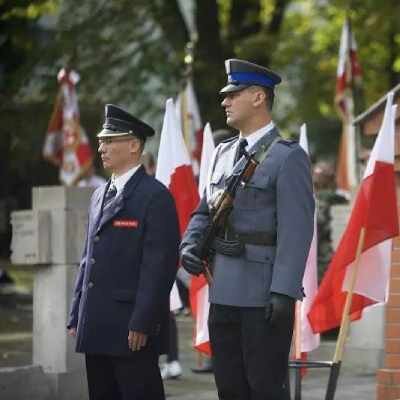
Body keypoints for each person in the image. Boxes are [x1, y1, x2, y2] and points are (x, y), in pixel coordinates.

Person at [180, 59, 315, 400]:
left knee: (265, 388)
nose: (224, 101)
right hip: (222, 289)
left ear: (258, 97)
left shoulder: (288, 157)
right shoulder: (222, 154)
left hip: (262, 295)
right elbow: (203, 210)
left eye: (233, 94)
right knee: (230, 388)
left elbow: (296, 231)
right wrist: (190, 244)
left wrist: (283, 291)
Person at [67, 104, 180, 400]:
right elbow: (88, 257)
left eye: (109, 141)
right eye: (101, 140)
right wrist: (77, 311)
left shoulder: (155, 196)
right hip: (97, 321)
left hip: (131, 327)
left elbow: (159, 267)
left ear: (133, 145)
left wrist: (143, 321)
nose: (101, 147)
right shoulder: (99, 194)